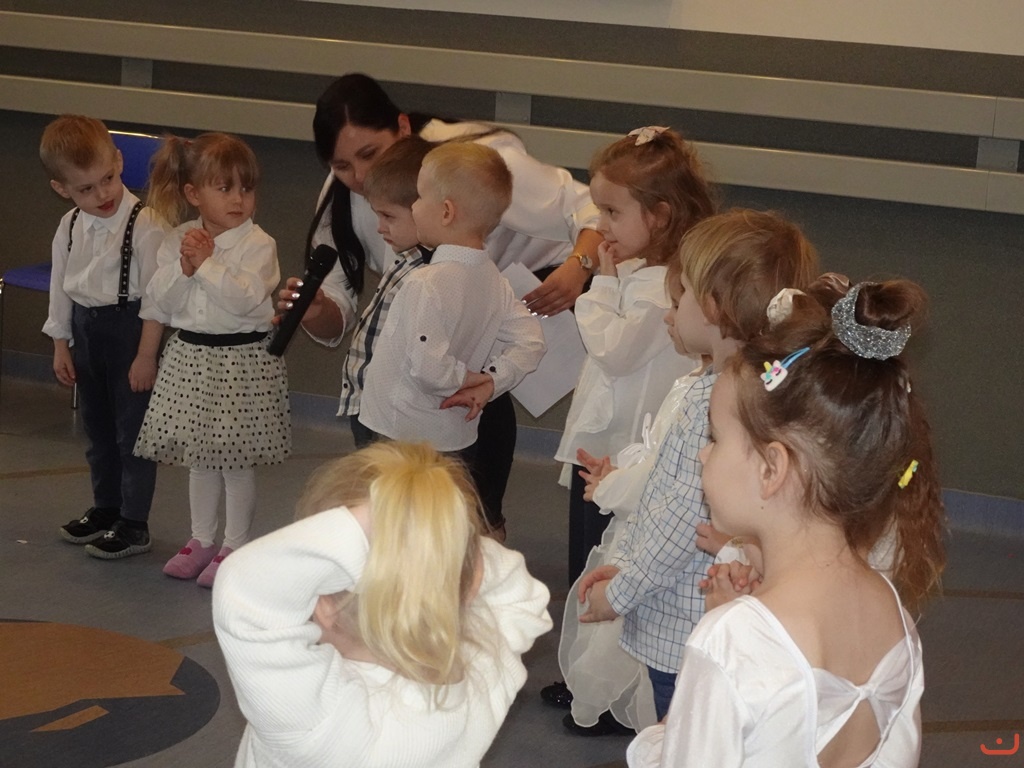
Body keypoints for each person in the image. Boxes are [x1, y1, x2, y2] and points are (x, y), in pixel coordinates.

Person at [627, 278, 946, 767]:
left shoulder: (731, 642)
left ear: (771, 469)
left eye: (716, 438)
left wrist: (717, 647)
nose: (703, 454)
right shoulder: (891, 612)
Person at [281, 72, 602, 526]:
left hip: (530, 288)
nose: (361, 177)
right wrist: (315, 309)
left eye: (370, 154)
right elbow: (343, 309)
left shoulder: (473, 169)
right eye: (342, 166)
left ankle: (484, 523)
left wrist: (578, 266)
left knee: (462, 449)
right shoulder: (410, 267)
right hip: (410, 402)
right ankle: (472, 526)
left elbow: (586, 205)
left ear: (403, 128)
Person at [575, 210, 819, 722]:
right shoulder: (761, 387)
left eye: (681, 292)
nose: (675, 305)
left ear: (712, 305)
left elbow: (680, 515)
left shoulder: (714, 401)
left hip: (684, 622)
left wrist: (620, 592)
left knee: (682, 735)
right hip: (714, 611)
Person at [211, 441, 553, 768]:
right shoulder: (483, 665)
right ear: (470, 586)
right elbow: (517, 590)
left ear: (326, 606)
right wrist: (438, 539)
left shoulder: (320, 724)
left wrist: (386, 522)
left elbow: (247, 587)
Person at [553, 126, 716, 587]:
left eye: (612, 212)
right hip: (609, 442)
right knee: (591, 545)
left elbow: (613, 351)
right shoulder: (641, 269)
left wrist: (602, 285)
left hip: (622, 449)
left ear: (660, 216)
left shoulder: (661, 285)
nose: (600, 225)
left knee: (603, 551)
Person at [554, 260, 710, 736]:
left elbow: (676, 501)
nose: (668, 314)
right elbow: (663, 467)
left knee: (676, 716)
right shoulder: (697, 384)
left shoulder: (707, 399)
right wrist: (620, 476)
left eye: (678, 303)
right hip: (663, 581)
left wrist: (611, 489)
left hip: (678, 601)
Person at [134, 132, 290, 587]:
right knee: (200, 459)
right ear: (194, 194)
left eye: (246, 188)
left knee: (235, 462)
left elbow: (245, 300)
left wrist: (207, 264)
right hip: (192, 360)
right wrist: (184, 269)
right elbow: (160, 301)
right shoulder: (178, 240)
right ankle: (201, 539)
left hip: (240, 363)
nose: (238, 199)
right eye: (224, 189)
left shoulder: (258, 244)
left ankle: (235, 545)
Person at [357, 143, 546, 507]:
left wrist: (467, 379)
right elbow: (532, 342)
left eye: (419, 196)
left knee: (395, 523)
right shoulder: (495, 282)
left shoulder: (425, 283)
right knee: (439, 520)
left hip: (400, 436)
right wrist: (492, 382)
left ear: (446, 211)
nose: (414, 206)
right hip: (456, 438)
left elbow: (428, 367)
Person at [42, 115, 168, 559]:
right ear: (62, 189)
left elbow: (156, 299)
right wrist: (61, 343)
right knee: (98, 430)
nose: (102, 195)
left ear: (118, 161)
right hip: (85, 331)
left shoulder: (146, 224)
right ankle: (106, 508)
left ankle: (134, 522)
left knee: (132, 434)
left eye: (108, 179)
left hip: (130, 333)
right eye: (86, 189)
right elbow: (61, 287)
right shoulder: (69, 225)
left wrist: (146, 356)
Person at [337, 134, 434, 449]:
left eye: (389, 216)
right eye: (377, 215)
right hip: (371, 405)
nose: (380, 227)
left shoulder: (432, 276)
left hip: (397, 417)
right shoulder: (404, 261)